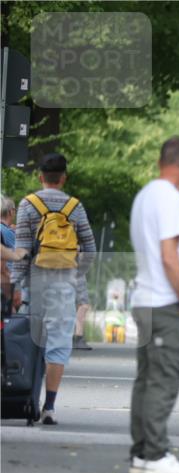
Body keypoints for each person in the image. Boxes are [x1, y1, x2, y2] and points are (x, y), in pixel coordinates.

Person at [128, 136, 179, 473]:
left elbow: (169, 250)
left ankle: (143, 452)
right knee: (163, 380)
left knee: (146, 379)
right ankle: (157, 454)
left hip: (145, 300)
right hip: (164, 303)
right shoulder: (172, 199)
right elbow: (168, 254)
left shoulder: (145, 196)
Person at [10, 153, 97, 425]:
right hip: (63, 284)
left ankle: (26, 400)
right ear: (64, 178)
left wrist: (14, 286)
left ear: (40, 177)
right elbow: (91, 250)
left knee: (28, 341)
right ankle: (49, 407)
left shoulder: (27, 204)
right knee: (58, 345)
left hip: (32, 283)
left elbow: (21, 249)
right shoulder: (75, 207)